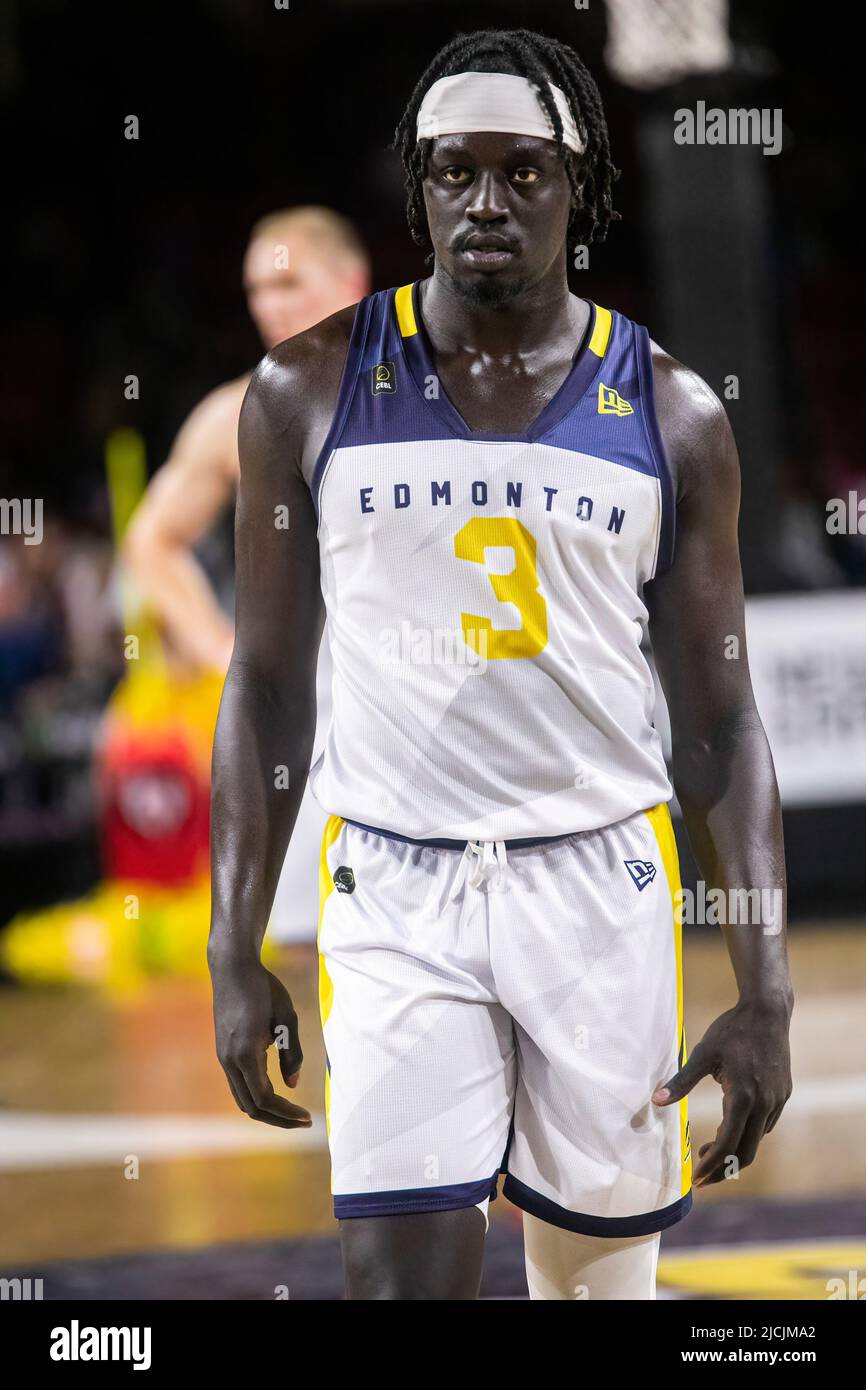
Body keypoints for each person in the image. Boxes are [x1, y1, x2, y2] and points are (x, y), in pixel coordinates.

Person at [208, 28, 793, 1300]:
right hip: (393, 890)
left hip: (599, 888)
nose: (485, 202)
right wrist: (231, 941)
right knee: (396, 1284)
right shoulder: (303, 390)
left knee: (592, 1290)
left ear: (578, 187)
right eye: (452, 173)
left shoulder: (670, 409)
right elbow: (261, 686)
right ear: (414, 189)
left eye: (521, 173)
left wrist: (765, 990)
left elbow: (721, 722)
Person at [124, 206, 370, 941]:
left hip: (422, 688)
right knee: (297, 937)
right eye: (257, 289)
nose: (270, 304)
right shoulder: (236, 412)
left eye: (289, 281)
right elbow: (151, 542)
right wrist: (224, 655)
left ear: (351, 280)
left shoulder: (429, 391)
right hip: (305, 708)